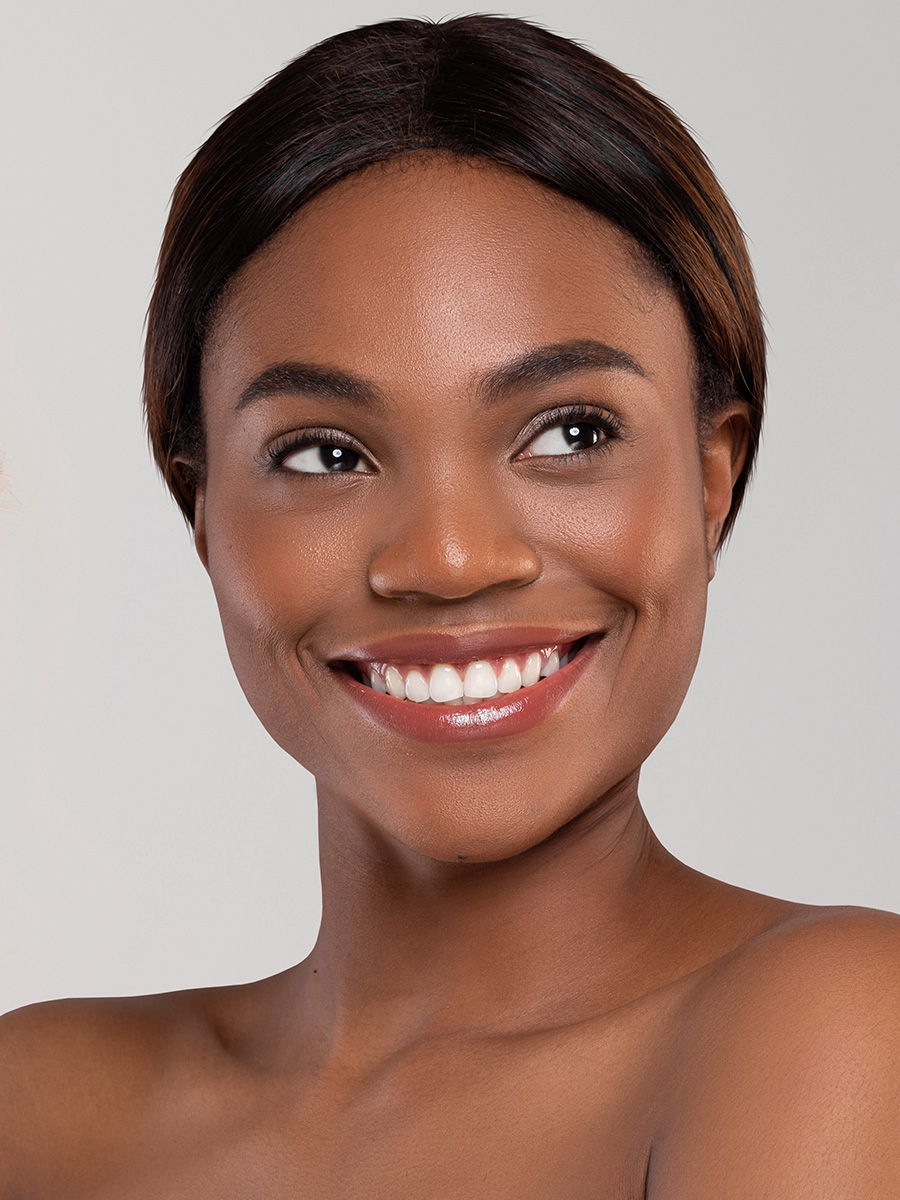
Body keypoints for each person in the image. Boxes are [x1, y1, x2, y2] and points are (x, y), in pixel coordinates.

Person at [1, 15, 898, 1197]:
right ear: (204, 510)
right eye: (325, 454)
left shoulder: (840, 1025)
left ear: (713, 475)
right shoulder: (39, 1102)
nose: (451, 558)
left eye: (570, 433)